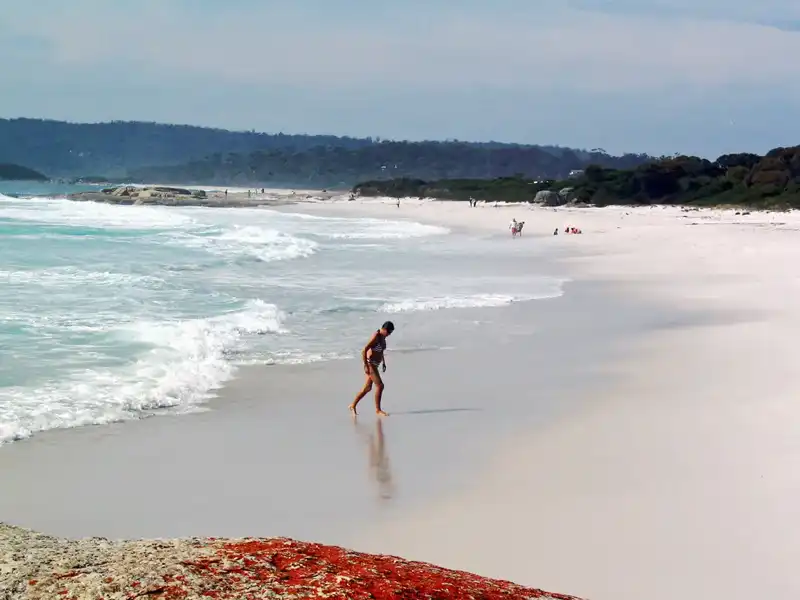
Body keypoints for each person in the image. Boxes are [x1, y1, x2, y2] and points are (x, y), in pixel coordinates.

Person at [350, 321, 395, 416]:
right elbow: (364, 350)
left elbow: (381, 351)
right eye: (389, 332)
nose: (389, 335)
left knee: (367, 388)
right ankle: (378, 410)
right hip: (370, 365)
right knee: (380, 386)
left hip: (376, 365)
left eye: (390, 333)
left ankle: (353, 405)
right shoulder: (376, 336)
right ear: (384, 329)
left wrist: (383, 362)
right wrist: (366, 365)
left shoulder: (383, 338)